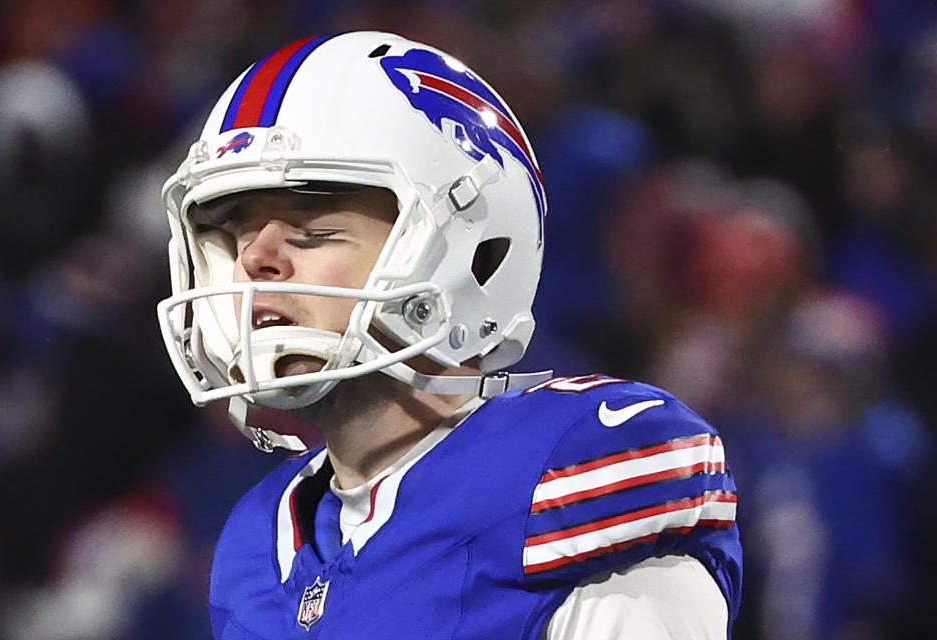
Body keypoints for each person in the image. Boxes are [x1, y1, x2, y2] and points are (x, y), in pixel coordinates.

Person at [157, 31, 742, 639]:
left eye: (311, 227)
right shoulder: (256, 543)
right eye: (233, 232)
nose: (256, 261)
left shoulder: (569, 473)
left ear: (469, 252)